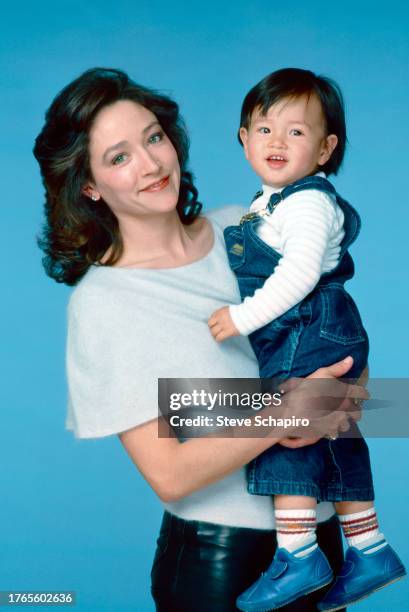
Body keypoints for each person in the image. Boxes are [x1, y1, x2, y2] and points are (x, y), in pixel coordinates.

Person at [34, 67, 368, 612]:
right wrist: (287, 412)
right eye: (119, 157)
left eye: (153, 138)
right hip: (222, 563)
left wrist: (347, 396)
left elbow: (348, 368)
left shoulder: (248, 229)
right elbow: (169, 475)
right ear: (89, 185)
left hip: (326, 543)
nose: (150, 164)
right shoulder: (105, 303)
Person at [208, 68, 406, 611]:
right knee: (332, 433)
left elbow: (296, 278)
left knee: (287, 427)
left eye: (297, 132)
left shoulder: (307, 203)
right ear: (243, 138)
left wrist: (242, 318)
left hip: (307, 323)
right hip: (320, 326)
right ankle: (368, 545)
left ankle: (298, 552)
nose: (277, 141)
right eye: (263, 128)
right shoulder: (268, 202)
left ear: (325, 148)